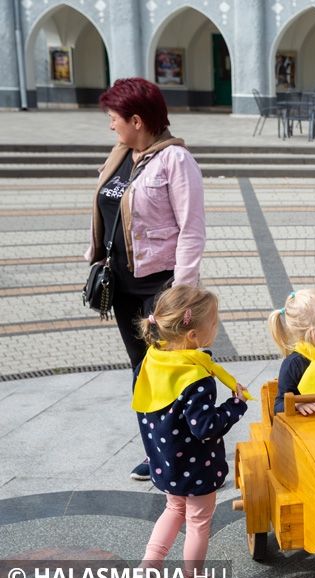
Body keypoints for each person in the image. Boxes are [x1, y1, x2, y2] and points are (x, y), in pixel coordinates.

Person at [85, 77, 206, 481]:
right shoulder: (121, 153)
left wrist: (183, 292)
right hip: (122, 284)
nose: (110, 125)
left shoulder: (176, 161)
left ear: (137, 120)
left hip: (162, 287)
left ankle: (190, 452)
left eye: (114, 118)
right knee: (142, 370)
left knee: (174, 371)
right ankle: (156, 451)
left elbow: (191, 229)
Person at [131, 286, 248, 578]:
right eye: (214, 322)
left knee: (173, 508)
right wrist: (234, 407)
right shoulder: (196, 377)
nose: (217, 326)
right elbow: (205, 428)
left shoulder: (152, 360)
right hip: (196, 467)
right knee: (197, 522)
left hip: (165, 460)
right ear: (194, 335)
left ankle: (148, 567)